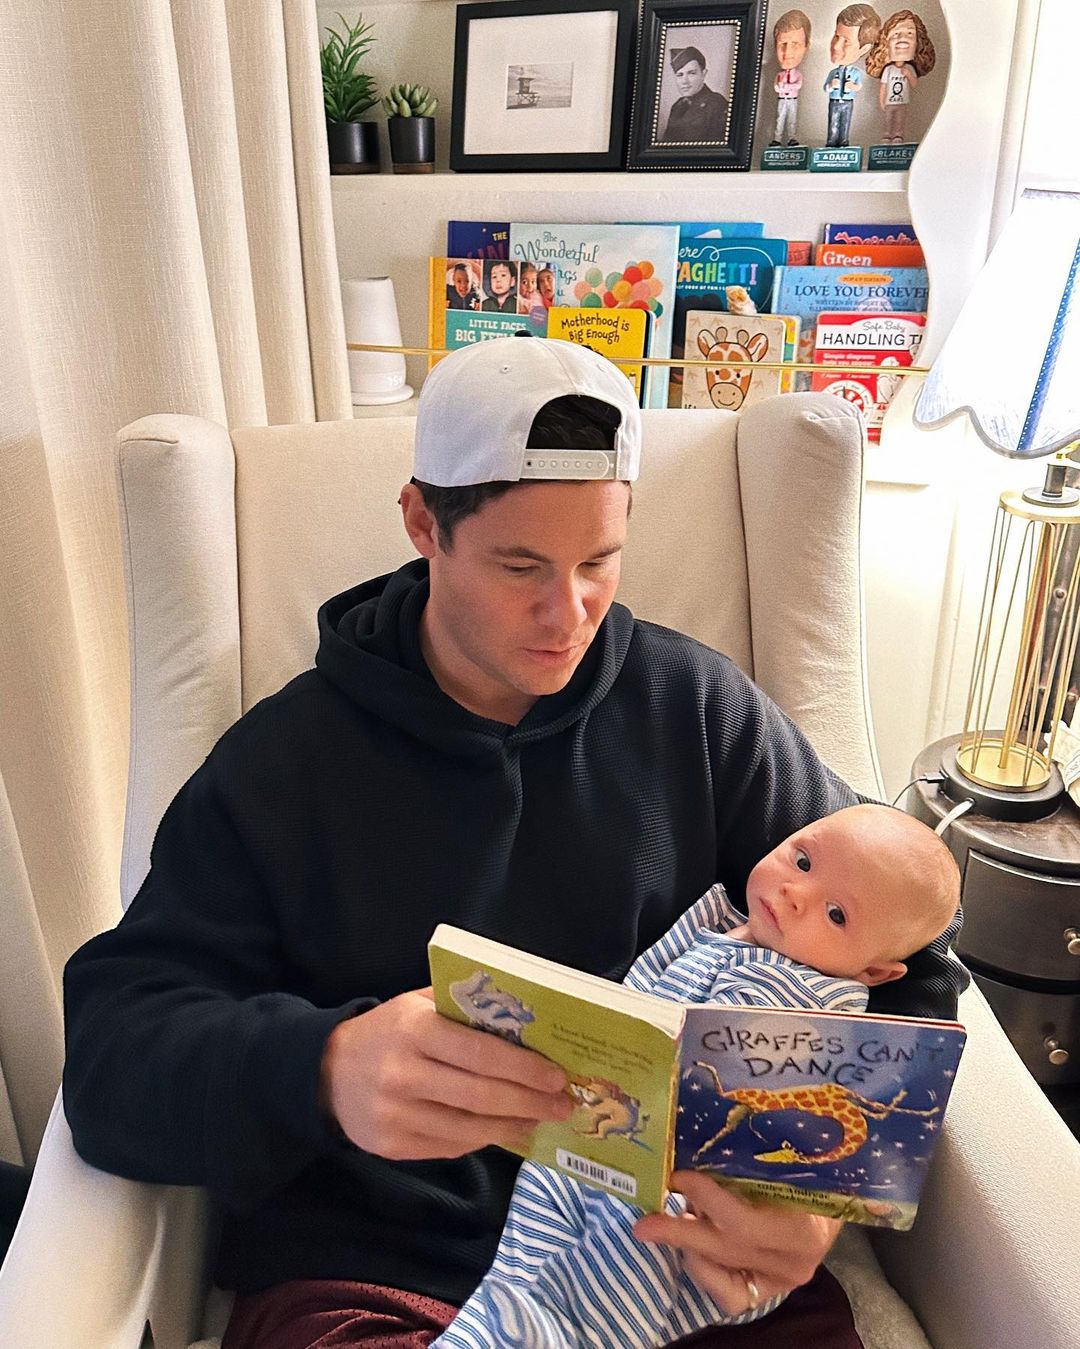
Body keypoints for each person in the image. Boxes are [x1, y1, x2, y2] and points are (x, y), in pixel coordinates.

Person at [62, 336, 966, 1349]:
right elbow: (111, 1059)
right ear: (422, 523)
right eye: (520, 565)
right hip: (385, 1273)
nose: (567, 610)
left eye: (598, 561)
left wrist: (819, 1189)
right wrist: (322, 1065)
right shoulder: (281, 763)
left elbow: (912, 951)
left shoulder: (699, 711)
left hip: (675, 1264)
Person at [434, 804, 961, 1349]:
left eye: (836, 915)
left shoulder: (808, 998)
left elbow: (886, 1057)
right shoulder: (733, 932)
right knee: (534, 1255)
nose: (795, 893)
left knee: (606, 1280)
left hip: (698, 1211)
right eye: (801, 860)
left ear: (874, 972)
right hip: (600, 1149)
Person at [864, 10, 936, 145]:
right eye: (896, 34)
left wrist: (909, 75)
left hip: (903, 102)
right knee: (887, 120)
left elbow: (914, 84)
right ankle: (886, 135)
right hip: (889, 102)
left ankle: (898, 136)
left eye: (910, 33)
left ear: (918, 43)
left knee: (900, 121)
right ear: (885, 43)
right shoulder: (888, 70)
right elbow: (883, 87)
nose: (903, 38)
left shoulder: (909, 69)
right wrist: (882, 103)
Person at [823, 4, 881, 148]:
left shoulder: (855, 73)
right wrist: (831, 86)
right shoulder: (833, 73)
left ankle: (843, 141)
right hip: (834, 101)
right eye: (836, 36)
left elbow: (859, 86)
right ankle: (831, 142)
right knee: (833, 121)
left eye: (846, 41)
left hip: (847, 102)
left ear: (864, 49)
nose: (836, 46)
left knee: (845, 122)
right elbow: (825, 87)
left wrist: (853, 86)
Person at [660, 46, 729, 143]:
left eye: (691, 73)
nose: (685, 81)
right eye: (680, 75)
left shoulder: (717, 104)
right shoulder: (677, 106)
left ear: (703, 74)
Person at [770, 10, 811, 147]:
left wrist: (785, 87)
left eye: (795, 44)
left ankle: (791, 138)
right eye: (782, 44)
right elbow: (776, 87)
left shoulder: (797, 75)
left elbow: (797, 85)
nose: (788, 53)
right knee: (779, 119)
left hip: (792, 99)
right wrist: (781, 86)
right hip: (782, 99)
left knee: (792, 119)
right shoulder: (780, 75)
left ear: (806, 47)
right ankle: (777, 138)